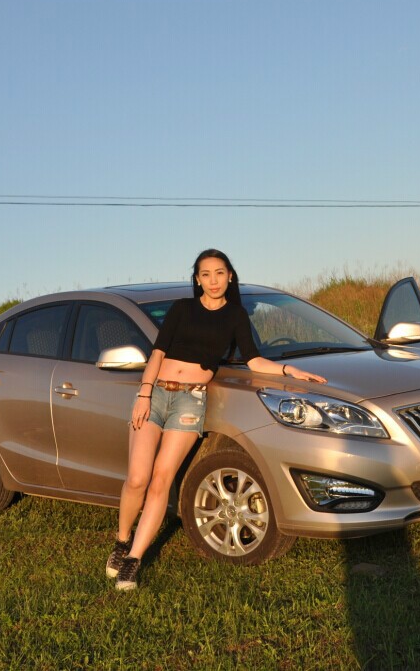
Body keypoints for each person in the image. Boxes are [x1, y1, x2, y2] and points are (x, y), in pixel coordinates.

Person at [106, 249, 326, 590]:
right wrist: (145, 394)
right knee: (137, 478)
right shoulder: (182, 308)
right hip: (156, 394)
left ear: (230, 276)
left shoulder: (235, 315)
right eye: (206, 274)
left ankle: (133, 560)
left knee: (162, 480)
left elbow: (254, 360)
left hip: (190, 401)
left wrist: (289, 370)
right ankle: (122, 541)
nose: (213, 280)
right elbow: (158, 353)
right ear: (197, 279)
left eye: (219, 273)